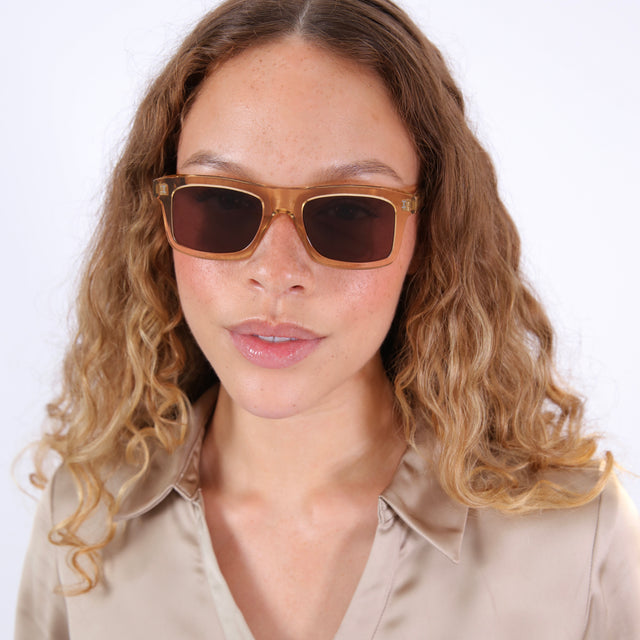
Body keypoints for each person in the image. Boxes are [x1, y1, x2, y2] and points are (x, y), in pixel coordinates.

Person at [15, 0, 640, 638]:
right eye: (222, 204)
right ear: (160, 226)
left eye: (348, 214)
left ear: (429, 236)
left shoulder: (575, 542)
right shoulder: (83, 521)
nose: (277, 271)